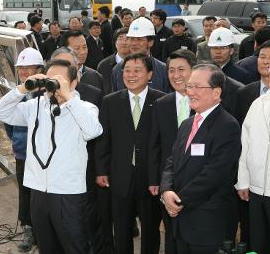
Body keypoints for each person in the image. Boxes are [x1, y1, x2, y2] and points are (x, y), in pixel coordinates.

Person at [0, 59, 102, 254]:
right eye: (50, 80)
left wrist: (68, 97)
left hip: (68, 192)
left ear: (74, 82)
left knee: (76, 247)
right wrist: (22, 88)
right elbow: (0, 112)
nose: (54, 85)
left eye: (59, 80)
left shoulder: (85, 108)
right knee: (47, 247)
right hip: (37, 191)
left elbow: (93, 130)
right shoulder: (35, 106)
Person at [161, 63, 242, 253]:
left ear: (216, 93)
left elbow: (215, 174)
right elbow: (172, 162)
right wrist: (166, 190)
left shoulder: (227, 126)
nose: (191, 92)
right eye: (189, 86)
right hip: (181, 221)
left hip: (207, 223)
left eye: (198, 87)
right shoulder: (187, 124)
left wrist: (179, 201)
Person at [95, 53, 165, 254]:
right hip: (119, 176)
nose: (131, 75)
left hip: (150, 178)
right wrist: (101, 170)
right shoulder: (110, 101)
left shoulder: (161, 100)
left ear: (150, 74)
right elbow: (103, 140)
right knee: (122, 228)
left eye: (137, 70)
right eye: (127, 70)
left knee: (151, 228)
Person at [51, 47, 104, 254]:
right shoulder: (41, 97)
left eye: (68, 68)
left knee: (87, 221)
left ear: (76, 74)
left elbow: (100, 135)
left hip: (85, 169)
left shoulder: (93, 94)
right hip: (52, 176)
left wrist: (101, 169)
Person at [149, 49, 197, 254]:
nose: (176, 75)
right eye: (171, 70)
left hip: (197, 182)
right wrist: (155, 180)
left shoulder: (207, 104)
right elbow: (155, 145)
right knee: (171, 233)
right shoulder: (161, 103)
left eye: (181, 70)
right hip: (168, 182)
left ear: (194, 71)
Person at [4, 48, 44, 252]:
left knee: (43, 195)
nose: (26, 72)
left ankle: (44, 232)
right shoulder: (16, 94)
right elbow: (7, 123)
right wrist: (19, 141)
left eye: (29, 68)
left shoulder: (49, 91)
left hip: (46, 156)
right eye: (22, 69)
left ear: (40, 68)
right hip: (24, 153)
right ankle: (28, 229)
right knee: (25, 193)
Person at [235, 90, 270, 254]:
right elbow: (246, 144)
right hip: (257, 190)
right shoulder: (258, 104)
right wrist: (243, 180)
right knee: (258, 242)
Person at [112, 17, 170, 93]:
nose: (134, 43)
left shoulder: (163, 70)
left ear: (150, 42)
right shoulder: (118, 69)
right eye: (132, 39)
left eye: (139, 39)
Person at [97, 27, 130, 96]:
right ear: (115, 43)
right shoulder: (103, 65)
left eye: (127, 39)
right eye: (120, 38)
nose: (124, 42)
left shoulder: (139, 63)